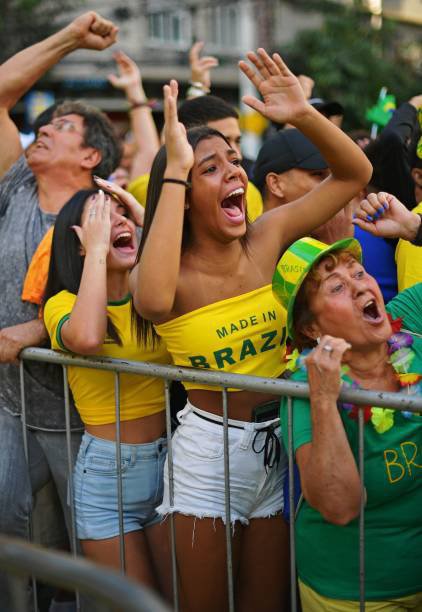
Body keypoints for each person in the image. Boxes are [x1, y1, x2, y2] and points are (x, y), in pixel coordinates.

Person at [132, 48, 371, 612]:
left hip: (284, 443)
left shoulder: (267, 237)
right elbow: (151, 300)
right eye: (210, 168)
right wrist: (174, 164)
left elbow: (355, 175)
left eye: (234, 160)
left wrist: (303, 115)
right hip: (209, 457)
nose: (234, 171)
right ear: (181, 193)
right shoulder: (171, 276)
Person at [0, 12, 119, 610]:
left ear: (92, 155)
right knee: (8, 532)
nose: (43, 129)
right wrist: (70, 37)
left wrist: (36, 327)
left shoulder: (107, 214)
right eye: (47, 123)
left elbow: (122, 305)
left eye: (63, 127)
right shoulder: (15, 187)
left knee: (90, 551)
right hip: (9, 403)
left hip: (82, 417)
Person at [274, 236, 422, 610]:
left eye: (358, 273)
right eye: (337, 287)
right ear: (312, 329)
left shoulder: (411, 327)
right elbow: (339, 507)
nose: (359, 286)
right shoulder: (303, 389)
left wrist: (414, 229)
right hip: (356, 593)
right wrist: (325, 400)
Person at [43, 184, 171, 595]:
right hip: (107, 478)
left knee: (179, 600)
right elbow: (87, 338)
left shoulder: (153, 298)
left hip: (174, 466)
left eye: (123, 213)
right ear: (78, 241)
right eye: (101, 216)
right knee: (136, 603)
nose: (118, 221)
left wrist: (147, 222)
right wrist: (97, 250)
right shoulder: (61, 303)